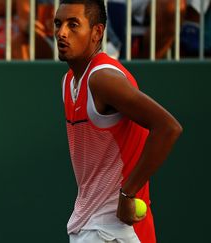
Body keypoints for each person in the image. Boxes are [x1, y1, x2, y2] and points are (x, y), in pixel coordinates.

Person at [54, 0, 182, 242]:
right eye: (58, 24)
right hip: (89, 225)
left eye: (73, 25)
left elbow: (168, 127)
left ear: (97, 32)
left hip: (115, 232)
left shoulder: (103, 79)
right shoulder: (68, 81)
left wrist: (128, 193)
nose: (62, 32)